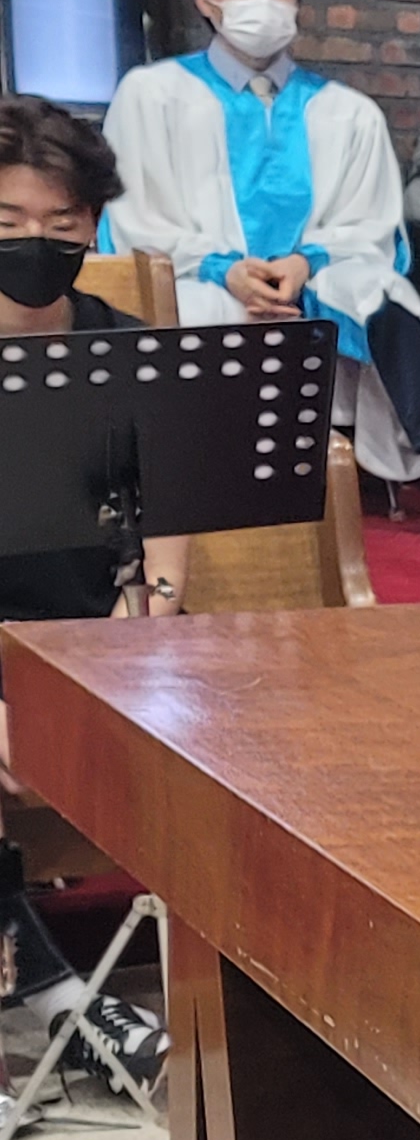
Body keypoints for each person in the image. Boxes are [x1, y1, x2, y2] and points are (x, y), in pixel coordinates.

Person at [103, 0, 420, 542]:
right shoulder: (154, 96)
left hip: (317, 272)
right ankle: (205, 487)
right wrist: (226, 268)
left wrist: (307, 263)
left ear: (297, 5)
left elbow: (372, 224)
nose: (263, 0)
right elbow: (134, 215)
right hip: (198, 273)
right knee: (200, 311)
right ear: (206, 2)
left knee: (380, 295)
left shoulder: (347, 112)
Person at [0, 94, 178, 1078]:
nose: (36, 243)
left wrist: (140, 623)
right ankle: (61, 1002)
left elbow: (171, 516)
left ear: (93, 224)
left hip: (100, 637)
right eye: (8, 221)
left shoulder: (123, 347)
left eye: (60, 223)